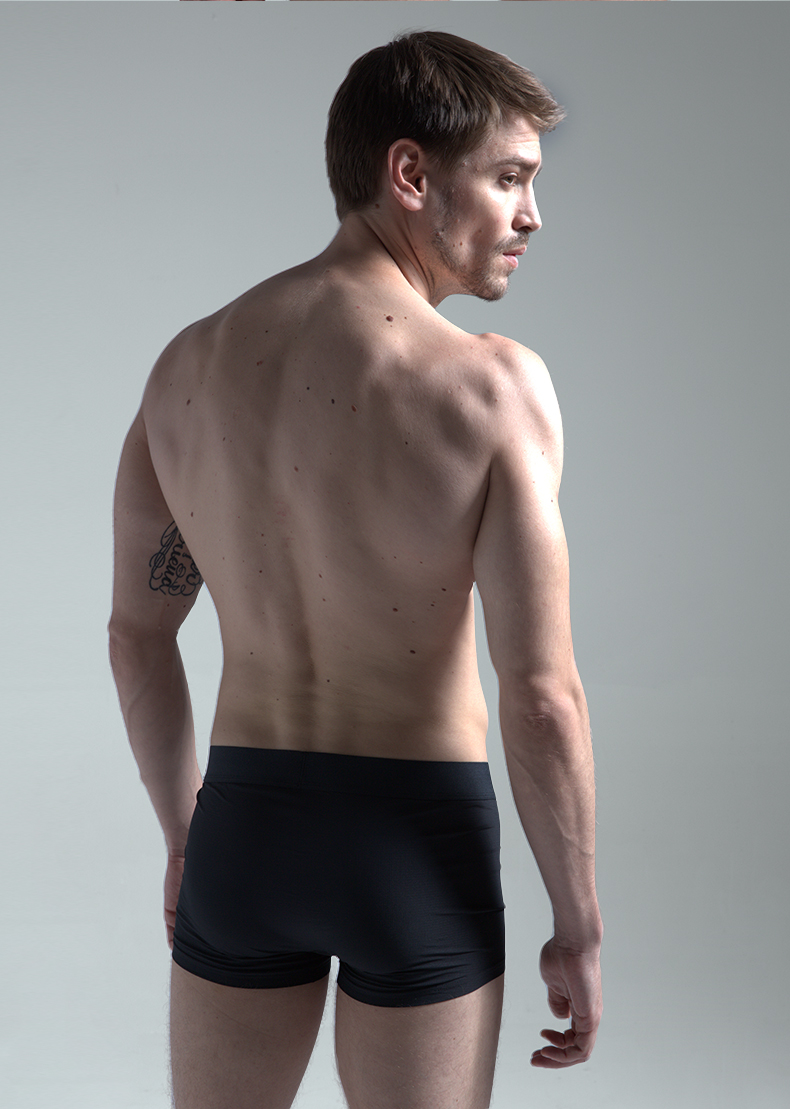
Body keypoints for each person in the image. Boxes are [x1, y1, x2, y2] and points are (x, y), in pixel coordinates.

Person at [109, 30, 602, 1109]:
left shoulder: (186, 368)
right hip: (412, 844)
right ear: (409, 173)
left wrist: (189, 838)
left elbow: (137, 634)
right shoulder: (490, 389)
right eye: (509, 178)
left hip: (243, 834)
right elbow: (541, 693)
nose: (531, 214)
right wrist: (579, 922)